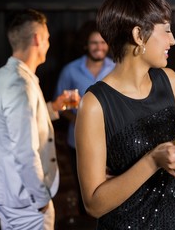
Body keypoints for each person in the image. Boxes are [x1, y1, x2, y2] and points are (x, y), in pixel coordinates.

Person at [74, 0, 175, 229]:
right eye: (166, 30)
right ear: (138, 35)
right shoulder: (94, 104)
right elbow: (93, 204)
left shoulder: (170, 80)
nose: (173, 40)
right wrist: (153, 161)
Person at [0, 9, 68, 230]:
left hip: (10, 193)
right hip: (26, 200)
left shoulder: (0, 76)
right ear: (37, 39)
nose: (49, 44)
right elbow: (24, 150)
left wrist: (53, 108)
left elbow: (7, 125)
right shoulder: (20, 85)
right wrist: (41, 199)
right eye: (48, 38)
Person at [54, 20, 115, 214]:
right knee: (84, 185)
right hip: (77, 140)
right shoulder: (70, 70)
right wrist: (78, 120)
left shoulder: (116, 68)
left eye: (102, 42)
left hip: (111, 138)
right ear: (85, 45)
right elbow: (59, 106)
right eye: (94, 43)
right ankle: (85, 218)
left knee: (109, 182)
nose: (99, 47)